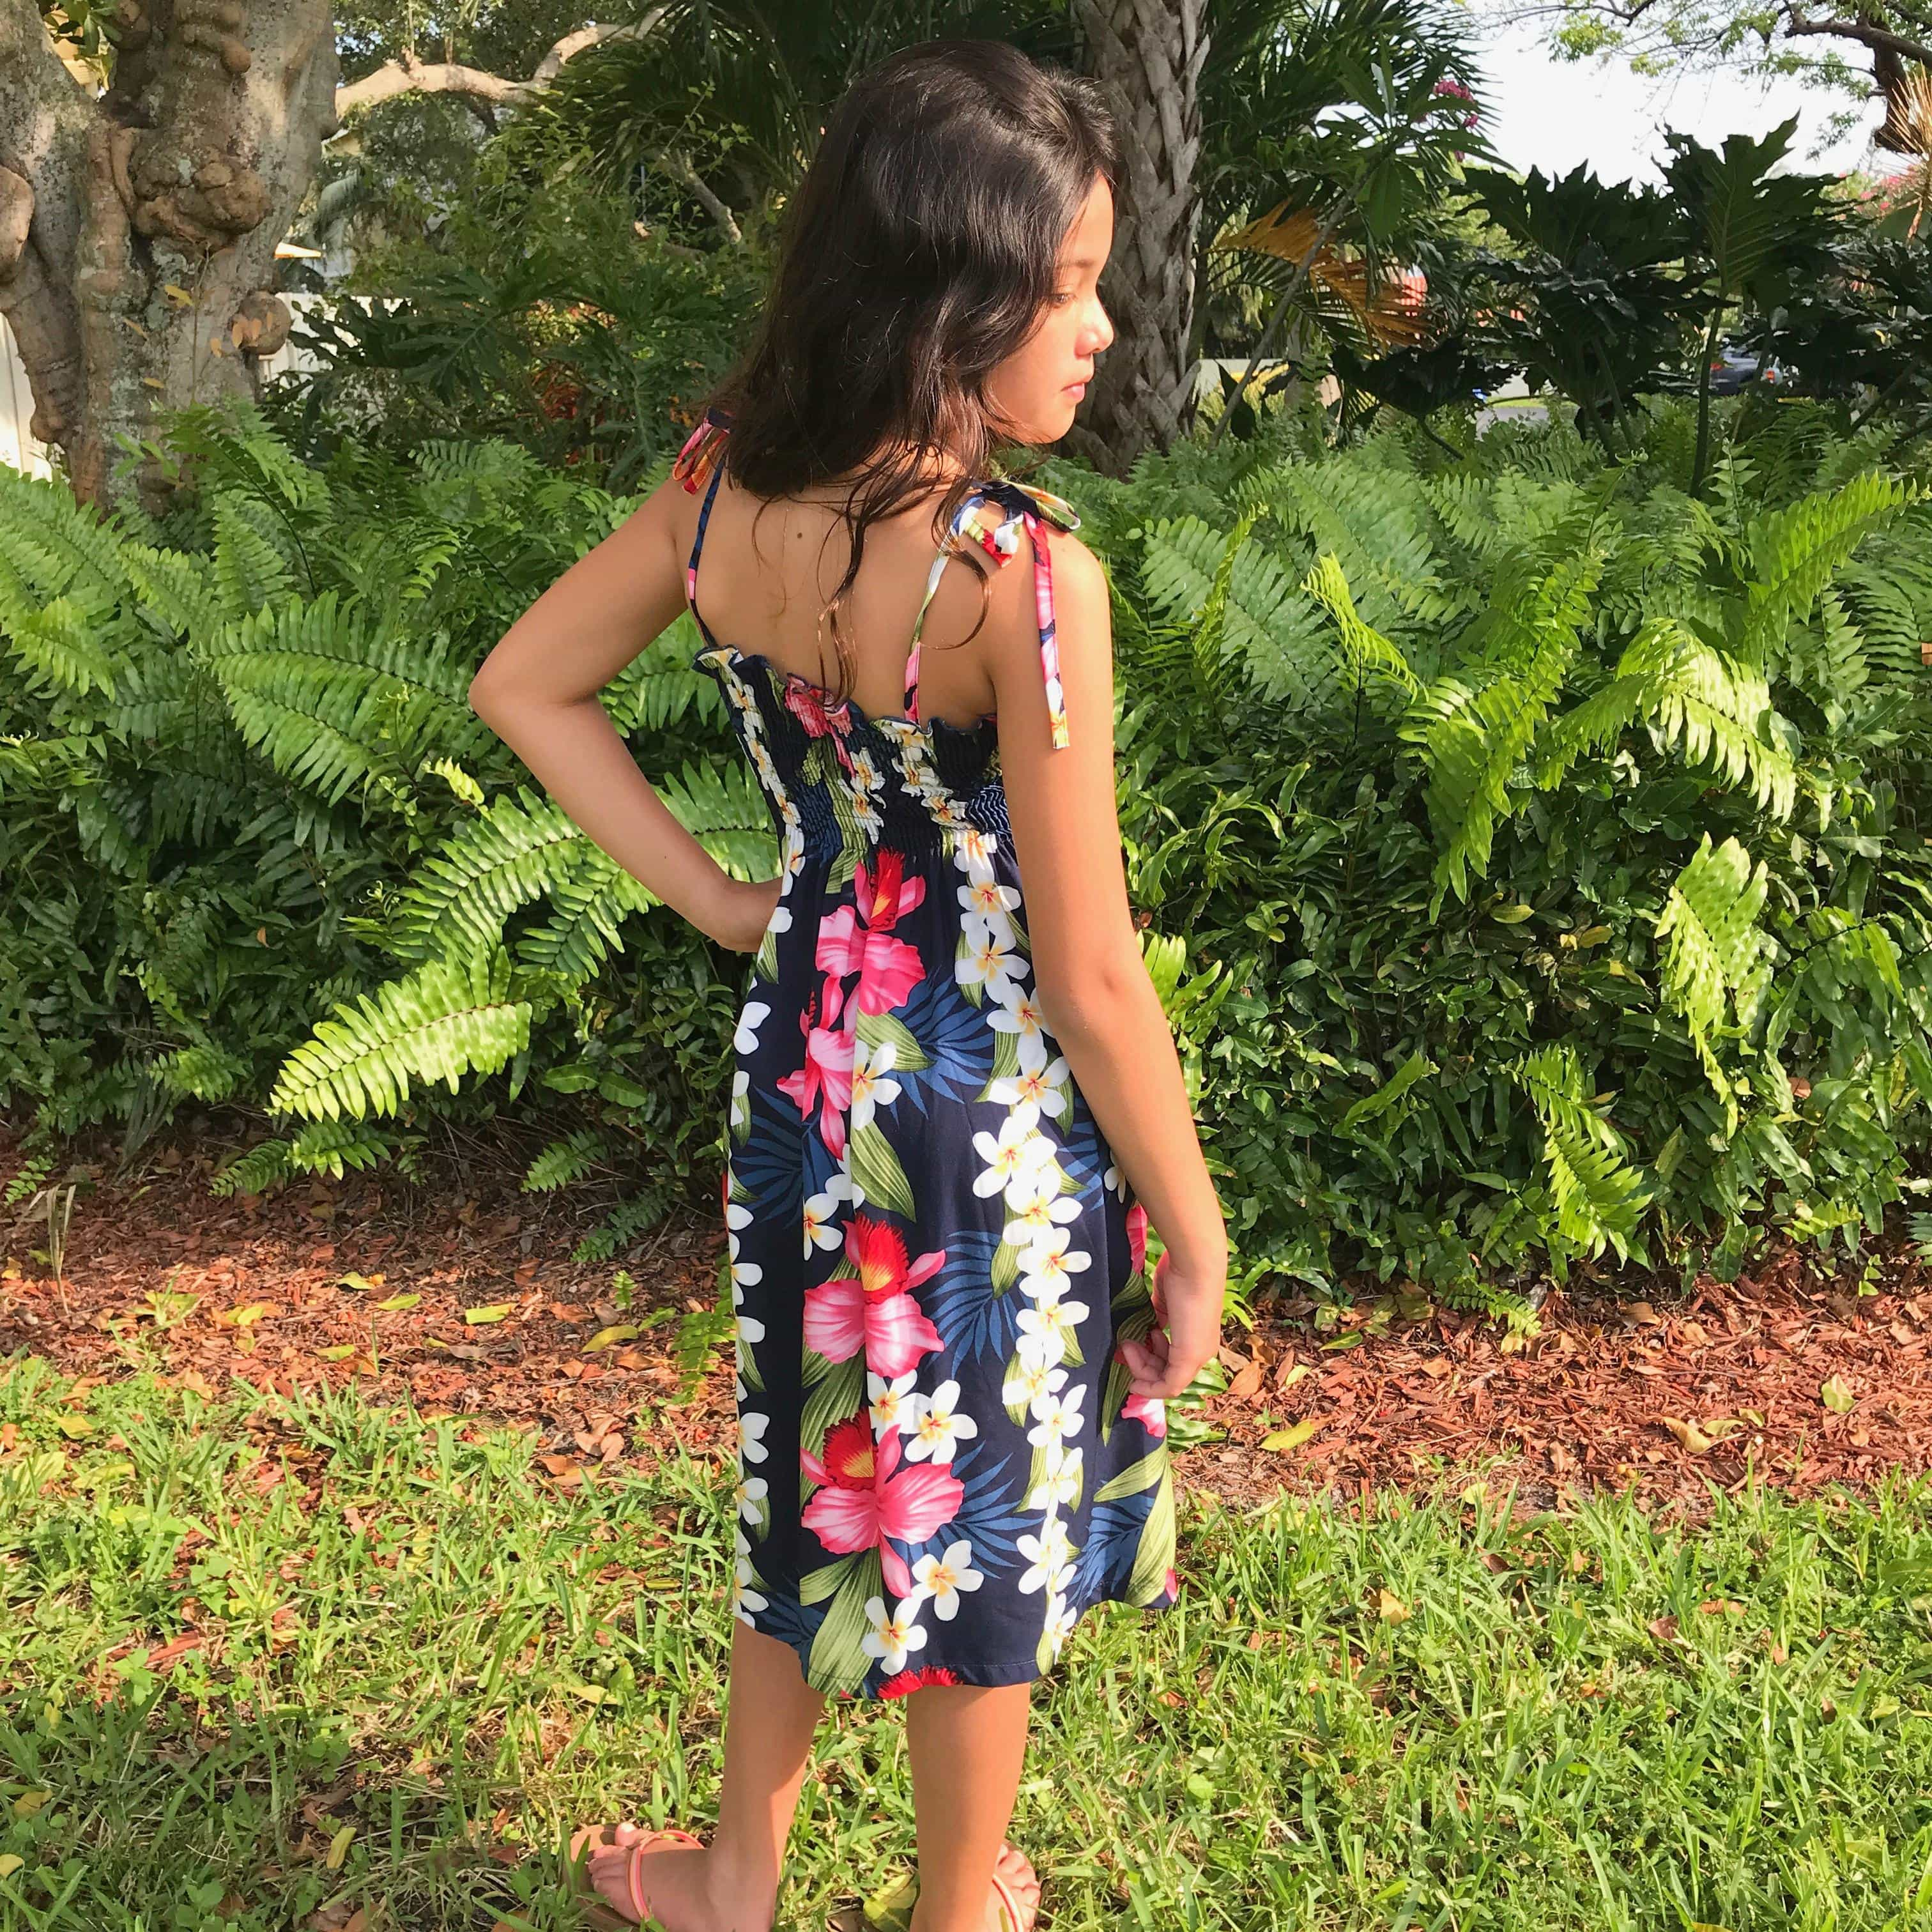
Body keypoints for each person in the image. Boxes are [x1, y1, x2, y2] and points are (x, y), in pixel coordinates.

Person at [468, 38, 1227, 1932]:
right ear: (948, 303)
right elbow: (1094, 971)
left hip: (806, 1064)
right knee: (966, 1531)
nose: (1102, 331)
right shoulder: (1021, 581)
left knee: (813, 1485)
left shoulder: (724, 492)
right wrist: (1199, 1229)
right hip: (988, 1125)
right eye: (1064, 292)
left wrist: (739, 907)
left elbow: (526, 685)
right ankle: (957, 1912)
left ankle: (737, 1879)